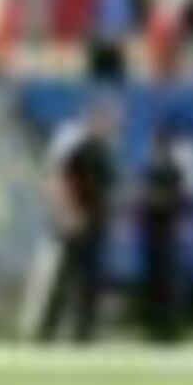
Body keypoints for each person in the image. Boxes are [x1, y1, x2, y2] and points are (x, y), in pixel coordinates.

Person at [39, 92, 123, 344]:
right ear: (96, 116)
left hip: (98, 216)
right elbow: (58, 178)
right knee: (65, 274)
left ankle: (84, 330)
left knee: (93, 275)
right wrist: (66, 211)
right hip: (76, 214)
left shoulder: (106, 143)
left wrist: (114, 216)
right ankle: (48, 330)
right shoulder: (73, 140)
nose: (114, 125)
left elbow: (109, 185)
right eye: (110, 119)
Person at [132, 111, 193, 345]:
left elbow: (188, 197)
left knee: (172, 278)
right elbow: (142, 195)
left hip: (169, 226)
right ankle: (155, 327)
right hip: (152, 227)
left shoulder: (181, 163)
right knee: (155, 278)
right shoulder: (151, 162)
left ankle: (173, 328)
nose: (160, 143)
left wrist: (188, 221)